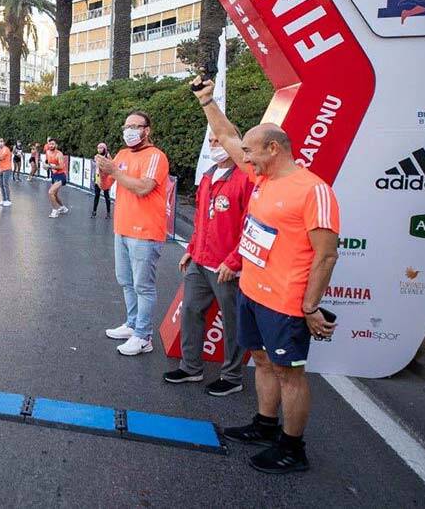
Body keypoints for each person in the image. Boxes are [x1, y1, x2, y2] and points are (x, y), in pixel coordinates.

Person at [192, 78, 340, 474]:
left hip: (286, 303)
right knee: (260, 360)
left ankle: (292, 448)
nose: (245, 160)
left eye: (251, 154)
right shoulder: (263, 178)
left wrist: (310, 307)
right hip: (252, 294)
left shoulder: (313, 190)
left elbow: (326, 256)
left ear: (273, 149)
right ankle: (264, 424)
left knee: (290, 374)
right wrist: (207, 101)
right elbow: (226, 135)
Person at [167, 130, 253, 396]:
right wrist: (191, 250)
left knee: (232, 321)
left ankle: (232, 376)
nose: (216, 145)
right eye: (212, 141)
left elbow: (251, 226)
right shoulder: (207, 176)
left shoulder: (245, 179)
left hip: (227, 267)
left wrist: (234, 261)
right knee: (191, 310)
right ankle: (191, 367)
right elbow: (201, 220)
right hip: (200, 262)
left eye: (221, 140)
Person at [96, 112, 169, 356]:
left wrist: (113, 171)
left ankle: (143, 336)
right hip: (122, 229)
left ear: (147, 130)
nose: (129, 131)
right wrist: (103, 170)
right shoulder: (122, 154)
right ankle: (132, 324)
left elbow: (143, 187)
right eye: (126, 126)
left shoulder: (155, 156)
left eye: (135, 126)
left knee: (143, 286)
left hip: (145, 232)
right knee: (125, 281)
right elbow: (105, 185)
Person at [44, 139, 69, 218]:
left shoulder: (59, 154)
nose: (51, 146)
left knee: (50, 192)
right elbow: (47, 162)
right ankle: (63, 208)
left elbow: (61, 166)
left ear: (56, 145)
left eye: (53, 144)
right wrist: (45, 165)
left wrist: (50, 166)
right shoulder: (47, 152)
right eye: (50, 144)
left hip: (61, 175)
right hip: (54, 175)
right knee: (55, 194)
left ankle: (55, 210)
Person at [90, 142, 113, 218]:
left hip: (105, 178)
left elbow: (111, 165)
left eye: (101, 148)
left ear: (104, 148)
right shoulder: (96, 156)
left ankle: (108, 212)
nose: (99, 149)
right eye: (98, 148)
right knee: (97, 195)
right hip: (98, 177)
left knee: (106, 195)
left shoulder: (108, 156)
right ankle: (94, 212)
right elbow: (95, 167)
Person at [0, 137, 13, 207]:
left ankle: (8, 200)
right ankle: (4, 199)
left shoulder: (6, 149)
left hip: (7, 168)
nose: (0, 143)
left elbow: (1, 158)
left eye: (1, 141)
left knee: (5, 184)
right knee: (1, 184)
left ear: (4, 142)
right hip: (1, 169)